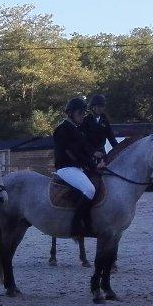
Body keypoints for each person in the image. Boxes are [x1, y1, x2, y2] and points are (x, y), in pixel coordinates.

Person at [53, 96, 101, 238]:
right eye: (80, 113)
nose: (82, 116)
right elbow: (73, 153)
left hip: (77, 167)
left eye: (84, 113)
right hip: (66, 168)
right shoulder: (62, 129)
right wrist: (93, 165)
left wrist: (95, 154)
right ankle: (76, 226)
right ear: (70, 113)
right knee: (90, 189)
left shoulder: (77, 129)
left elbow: (85, 148)